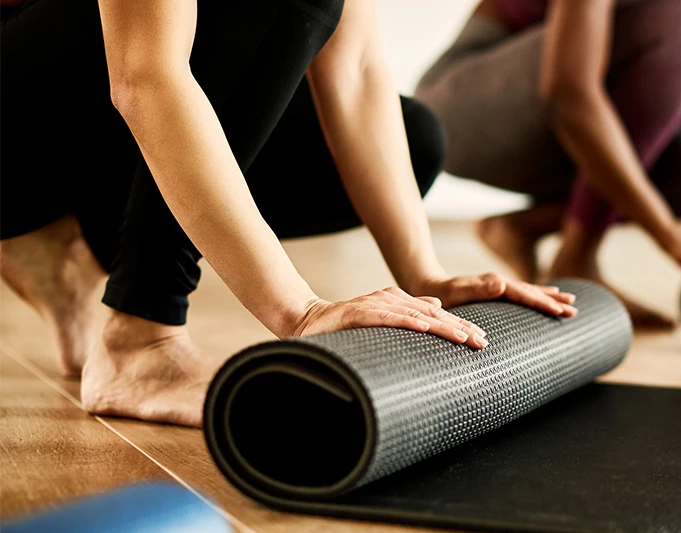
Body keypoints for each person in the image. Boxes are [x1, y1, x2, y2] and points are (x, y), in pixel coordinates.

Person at [0, 0, 577, 428]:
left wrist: (424, 275)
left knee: (417, 138)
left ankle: (63, 240)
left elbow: (354, 73)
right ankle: (140, 339)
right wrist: (299, 313)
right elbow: (145, 78)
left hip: (69, 117)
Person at [415, 0, 681, 325]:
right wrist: (674, 240)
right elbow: (570, 93)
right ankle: (578, 257)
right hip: (468, 107)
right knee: (678, 25)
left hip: (560, 110)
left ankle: (521, 228)